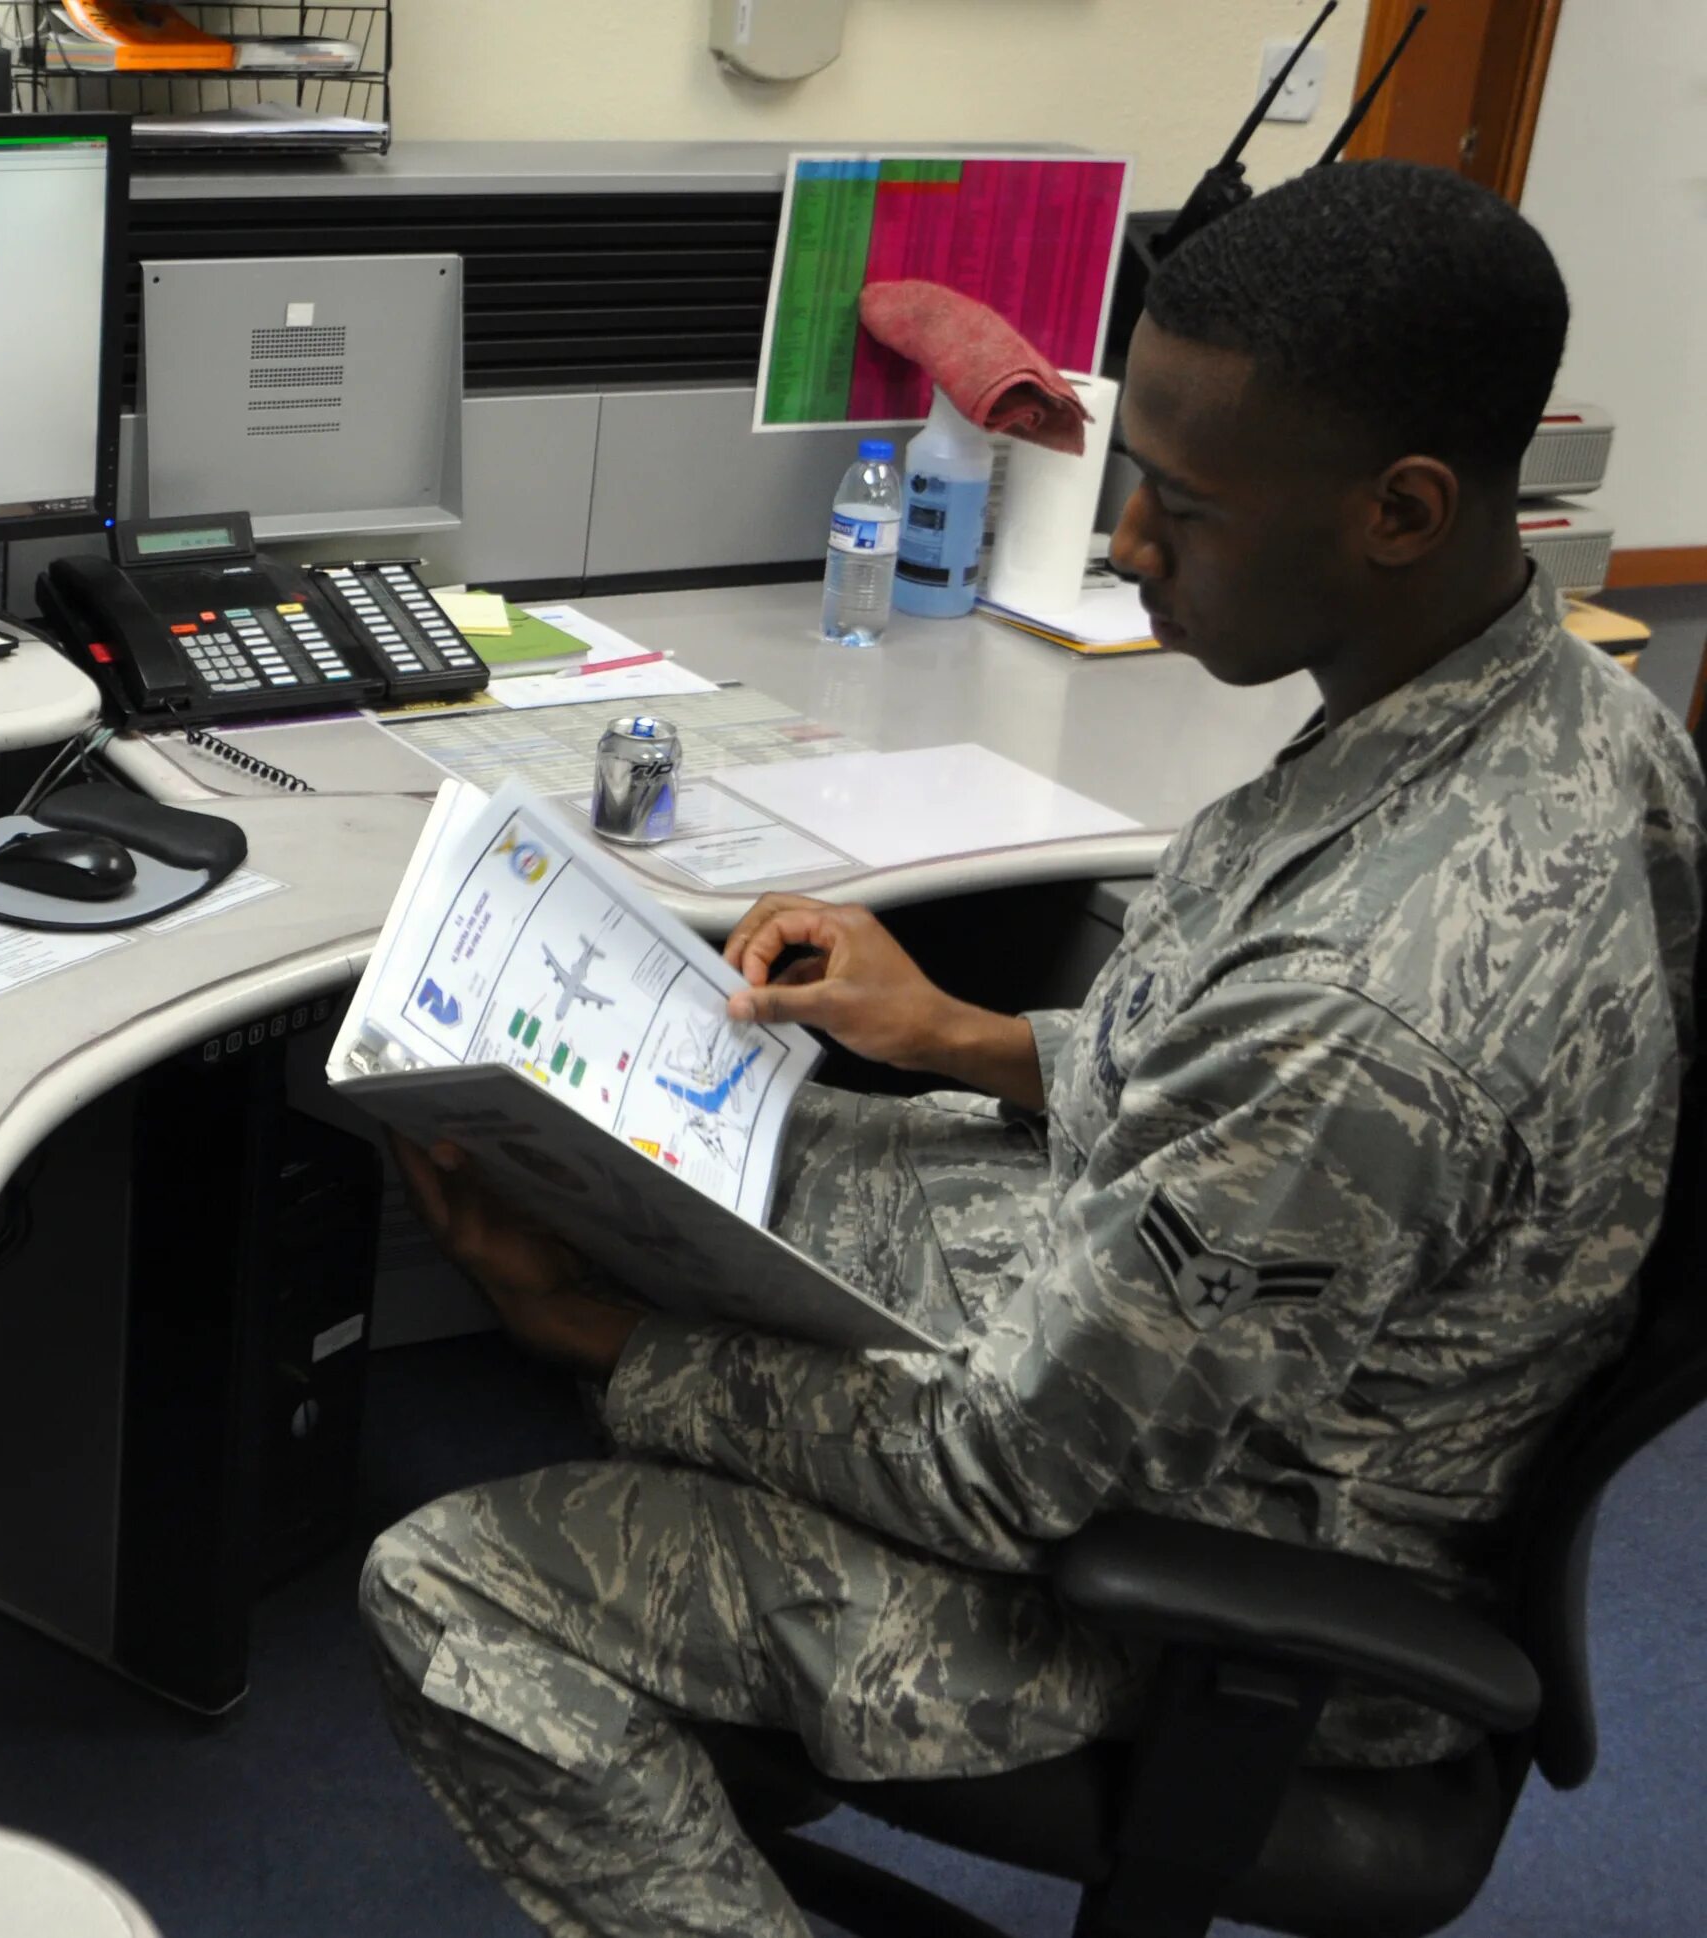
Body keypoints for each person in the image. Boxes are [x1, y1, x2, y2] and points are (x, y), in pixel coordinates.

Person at [360, 159, 1706, 1938]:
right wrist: (958, 1033)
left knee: (452, 1583)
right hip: (1227, 1369)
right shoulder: (1564, 710)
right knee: (725, 1151)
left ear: (1400, 507)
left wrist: (599, 1335)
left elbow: (1018, 1470)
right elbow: (1230, 1098)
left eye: (1181, 505)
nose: (1131, 547)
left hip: (1203, 1577)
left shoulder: (1372, 1006)